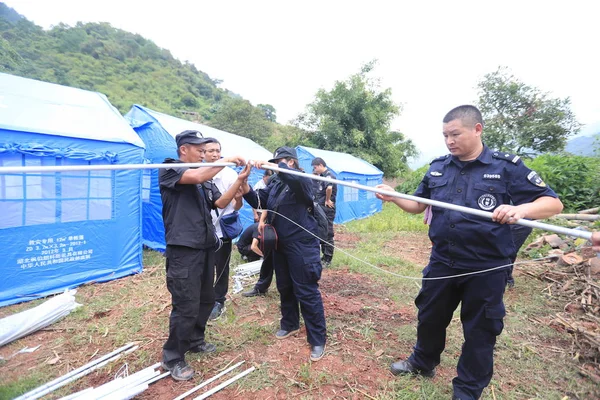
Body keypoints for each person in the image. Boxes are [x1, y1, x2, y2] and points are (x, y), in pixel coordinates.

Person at [375, 105, 563, 400]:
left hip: (486, 266)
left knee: (480, 330)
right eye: (445, 135)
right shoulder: (438, 167)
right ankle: (423, 363)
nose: (449, 141)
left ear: (477, 129)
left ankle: (467, 390)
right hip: (442, 261)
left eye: (455, 134)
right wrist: (393, 197)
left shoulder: (506, 167)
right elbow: (418, 205)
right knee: (430, 316)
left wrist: (520, 208)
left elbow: (553, 203)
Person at [159, 130, 250, 381]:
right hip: (184, 249)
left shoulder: (203, 181)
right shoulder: (170, 169)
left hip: (205, 246)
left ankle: (195, 340)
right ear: (183, 150)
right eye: (199, 149)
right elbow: (197, 173)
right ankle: (173, 357)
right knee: (186, 304)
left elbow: (219, 204)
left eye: (204, 149)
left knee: (205, 299)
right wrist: (226, 160)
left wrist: (238, 181)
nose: (203, 153)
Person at [244, 146, 327, 362]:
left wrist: (278, 168)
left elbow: (296, 182)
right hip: (281, 243)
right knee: (285, 286)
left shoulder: (302, 179)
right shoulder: (276, 183)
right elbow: (260, 202)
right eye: (275, 161)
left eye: (280, 161)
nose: (276, 165)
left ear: (291, 162)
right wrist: (244, 185)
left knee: (306, 290)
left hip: (302, 243)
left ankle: (317, 339)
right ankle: (289, 324)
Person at [204, 138, 244, 321]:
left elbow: (237, 207)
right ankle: (204, 299)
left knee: (221, 267)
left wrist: (238, 199)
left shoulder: (229, 175)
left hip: (222, 229)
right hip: (202, 228)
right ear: (202, 153)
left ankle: (218, 300)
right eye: (210, 150)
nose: (214, 154)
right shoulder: (197, 171)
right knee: (204, 266)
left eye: (217, 150)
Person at [311, 157, 337, 267]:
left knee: (328, 233)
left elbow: (329, 188)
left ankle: (328, 259)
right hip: (320, 209)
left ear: (321, 165)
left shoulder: (329, 175)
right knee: (321, 231)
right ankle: (323, 256)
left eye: (315, 167)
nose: (315, 169)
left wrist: (327, 199)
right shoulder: (321, 177)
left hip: (327, 209)